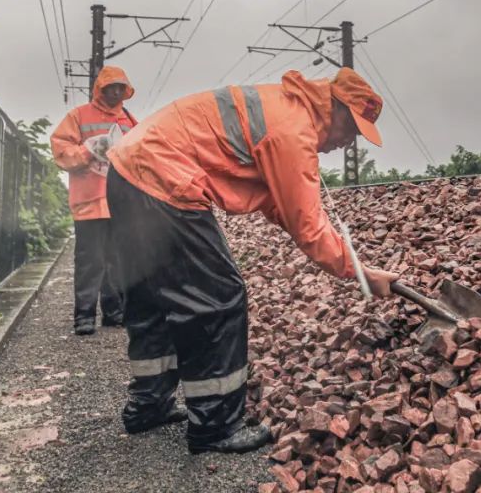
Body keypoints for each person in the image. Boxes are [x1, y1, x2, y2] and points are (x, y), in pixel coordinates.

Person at [105, 67, 399, 453]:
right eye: (353, 131)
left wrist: (356, 266)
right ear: (337, 111)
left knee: (154, 298)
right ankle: (214, 428)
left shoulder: (285, 108)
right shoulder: (294, 131)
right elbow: (308, 227)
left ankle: (148, 407)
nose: (348, 143)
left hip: (127, 171)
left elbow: (281, 205)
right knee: (219, 297)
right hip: (164, 179)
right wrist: (358, 272)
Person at [51, 66, 138, 336]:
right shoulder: (79, 116)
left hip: (118, 201)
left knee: (116, 261)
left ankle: (114, 314)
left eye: (119, 87)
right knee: (90, 261)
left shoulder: (128, 120)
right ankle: (84, 316)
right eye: (110, 87)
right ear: (99, 89)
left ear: (125, 90)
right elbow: (61, 151)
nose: (115, 92)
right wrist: (88, 151)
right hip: (89, 200)